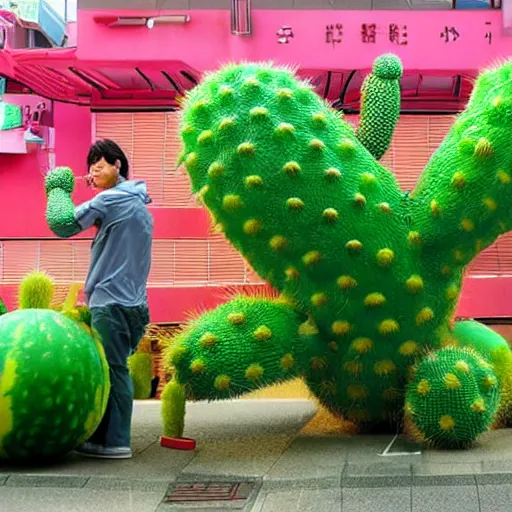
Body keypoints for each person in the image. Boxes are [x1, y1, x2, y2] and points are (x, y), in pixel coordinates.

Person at [45, 139, 154, 459]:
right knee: (113, 367)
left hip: (110, 300)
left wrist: (58, 187)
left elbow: (62, 223)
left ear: (117, 165)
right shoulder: (137, 201)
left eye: (100, 165)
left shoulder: (111, 199)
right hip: (134, 304)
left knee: (115, 370)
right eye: (90, 169)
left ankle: (116, 441)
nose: (93, 172)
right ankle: (105, 436)